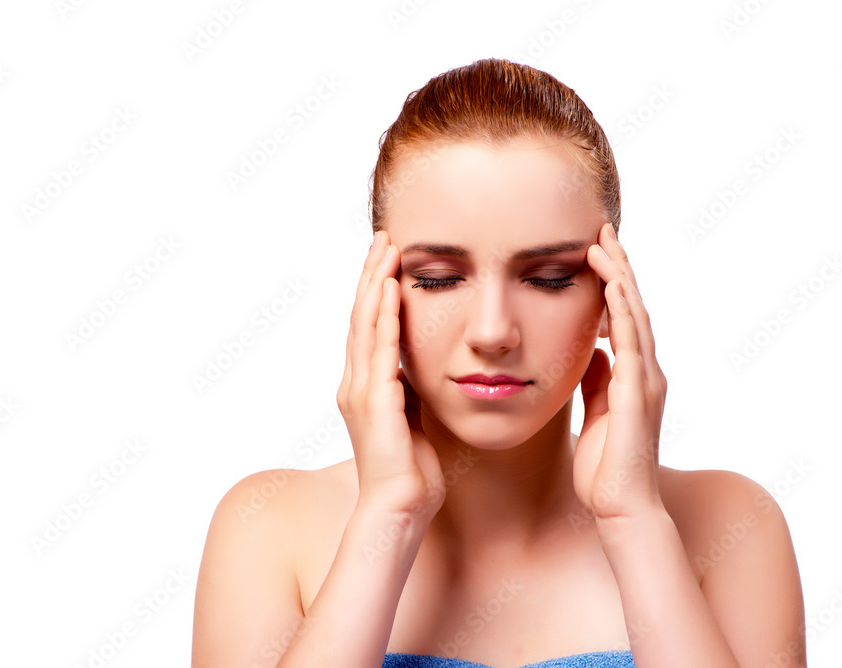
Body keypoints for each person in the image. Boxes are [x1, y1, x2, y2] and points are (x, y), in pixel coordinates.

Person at [191, 58, 805, 668]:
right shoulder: (266, 530)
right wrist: (387, 520)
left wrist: (634, 521)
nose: (492, 332)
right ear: (377, 289)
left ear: (610, 294)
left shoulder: (732, 528)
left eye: (547, 278)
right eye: (436, 279)